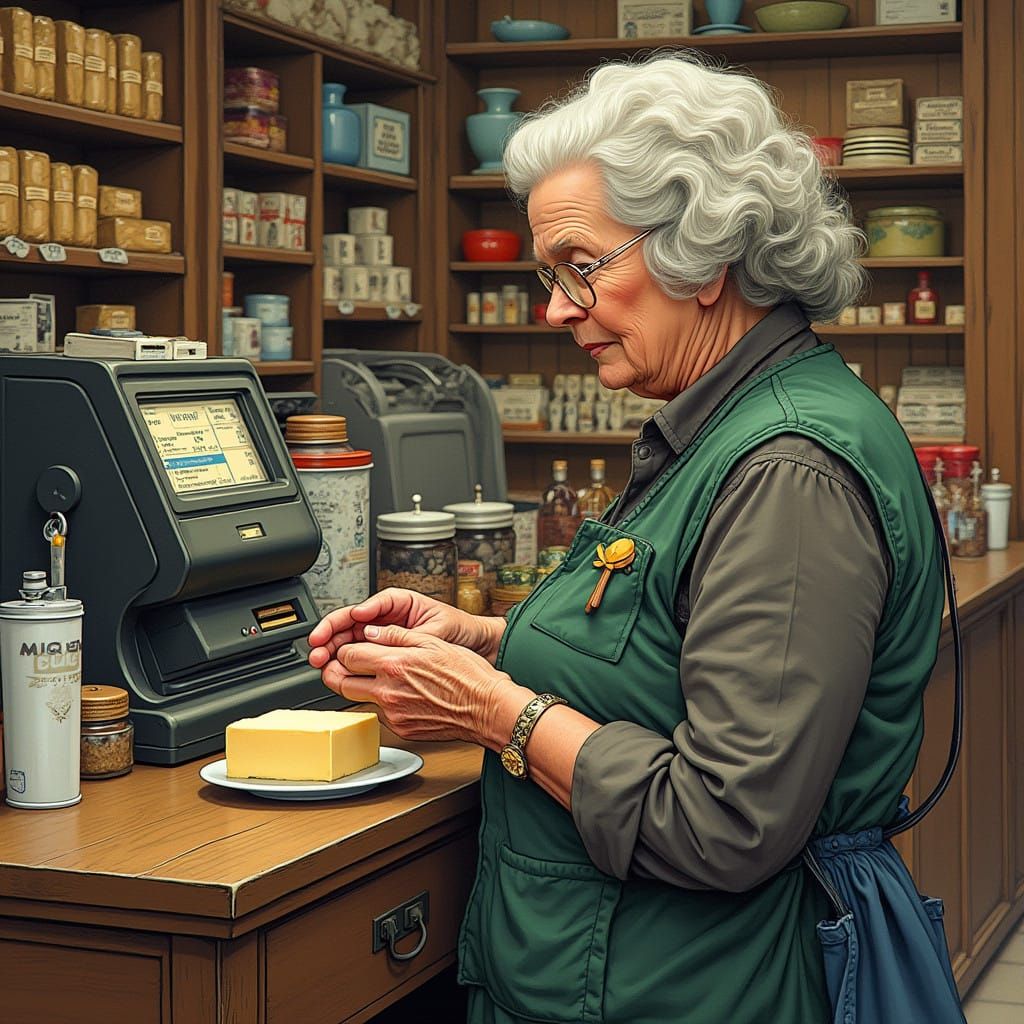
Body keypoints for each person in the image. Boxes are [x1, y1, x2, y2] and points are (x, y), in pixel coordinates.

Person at [308, 54, 945, 1024]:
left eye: (579, 266)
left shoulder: (787, 472)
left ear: (704, 253)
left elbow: (727, 820)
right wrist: (487, 639)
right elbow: (669, 644)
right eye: (545, 274)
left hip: (704, 987)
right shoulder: (725, 420)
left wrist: (495, 709)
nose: (555, 308)